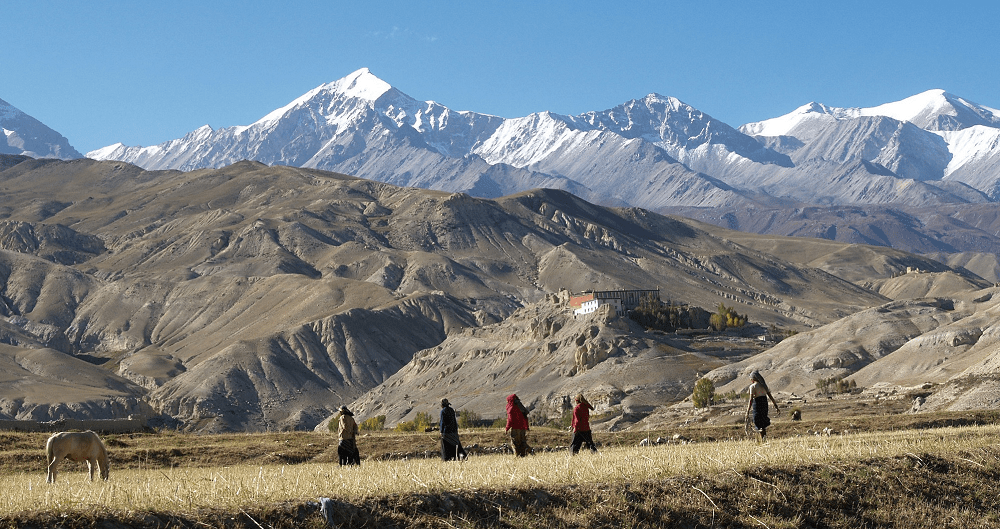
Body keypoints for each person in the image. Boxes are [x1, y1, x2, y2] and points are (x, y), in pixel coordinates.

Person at [745, 370, 780, 442]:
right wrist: (776, 406)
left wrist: (747, 411)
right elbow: (770, 396)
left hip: (757, 404)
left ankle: (761, 439)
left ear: (752, 379)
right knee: (763, 421)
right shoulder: (764, 386)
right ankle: (763, 438)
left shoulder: (752, 387)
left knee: (757, 421)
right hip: (764, 404)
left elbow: (751, 399)